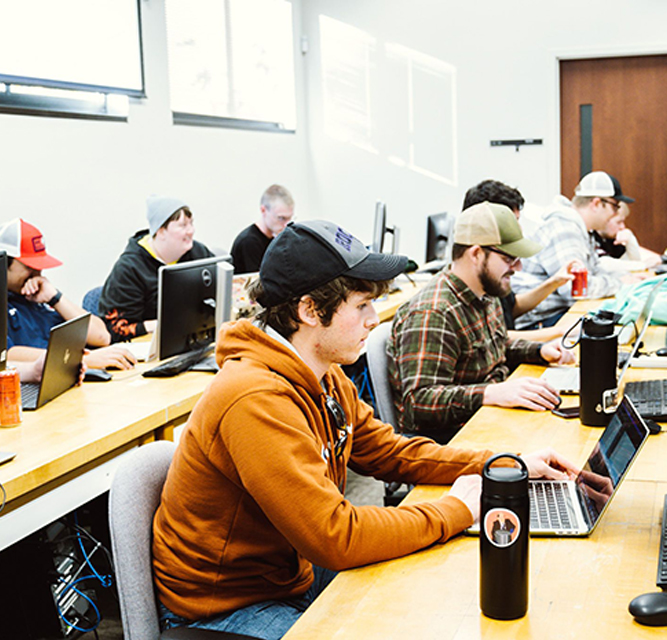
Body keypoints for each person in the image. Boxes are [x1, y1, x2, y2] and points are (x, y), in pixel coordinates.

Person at [152, 219, 579, 640]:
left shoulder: (322, 372)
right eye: (361, 306)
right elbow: (334, 536)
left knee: (430, 601)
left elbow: (392, 453)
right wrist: (454, 511)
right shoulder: (253, 398)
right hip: (225, 608)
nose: (375, 319)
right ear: (309, 310)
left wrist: (502, 465)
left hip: (289, 573)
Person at [387, 202, 574, 444]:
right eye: (509, 258)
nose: (517, 268)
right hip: (453, 439)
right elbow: (420, 402)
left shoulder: (487, 291)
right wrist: (492, 393)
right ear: (476, 254)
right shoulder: (433, 313)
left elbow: (492, 346)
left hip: (488, 417)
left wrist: (539, 351)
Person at [512, 171, 645, 330]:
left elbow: (595, 271)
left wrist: (627, 278)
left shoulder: (581, 229)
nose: (616, 213)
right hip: (538, 322)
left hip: (556, 313)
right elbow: (577, 290)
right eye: (615, 206)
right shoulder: (564, 229)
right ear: (596, 203)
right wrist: (620, 283)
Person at [0, 218, 136, 370]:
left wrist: (55, 298)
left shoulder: (36, 296)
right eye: (29, 266)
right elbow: (6, 356)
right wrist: (81, 360)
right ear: (4, 263)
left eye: (39, 266)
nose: (37, 273)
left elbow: (102, 337)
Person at [463, 179, 579, 338]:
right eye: (512, 221)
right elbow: (494, 339)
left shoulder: (492, 274)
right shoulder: (473, 279)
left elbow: (512, 309)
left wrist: (554, 282)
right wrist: (560, 331)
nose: (519, 229)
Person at [99, 196, 213, 342]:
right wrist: (161, 325)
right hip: (148, 348)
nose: (191, 231)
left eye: (191, 223)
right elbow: (114, 330)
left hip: (195, 339)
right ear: (161, 231)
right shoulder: (129, 269)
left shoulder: (197, 252)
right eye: (183, 225)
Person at [230, 184, 295, 274]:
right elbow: (258, 284)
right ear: (263, 210)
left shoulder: (273, 239)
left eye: (289, 218)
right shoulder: (249, 242)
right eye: (281, 218)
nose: (286, 225)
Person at [592, 201, 662, 271]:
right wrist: (643, 265)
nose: (622, 227)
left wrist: (630, 240)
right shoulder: (591, 237)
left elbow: (633, 261)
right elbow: (602, 264)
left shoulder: (609, 240)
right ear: (605, 219)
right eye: (618, 222)